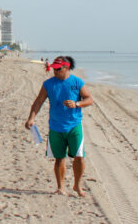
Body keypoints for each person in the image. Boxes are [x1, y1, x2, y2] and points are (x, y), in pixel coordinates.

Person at [24, 55, 93, 197]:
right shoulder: (48, 84)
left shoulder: (77, 82)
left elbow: (89, 99)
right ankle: (61, 187)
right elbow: (38, 101)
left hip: (74, 126)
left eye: (58, 69)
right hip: (55, 127)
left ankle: (77, 186)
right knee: (59, 158)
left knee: (79, 156)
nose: (55, 71)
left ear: (66, 68)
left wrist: (77, 104)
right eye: (54, 69)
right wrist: (31, 118)